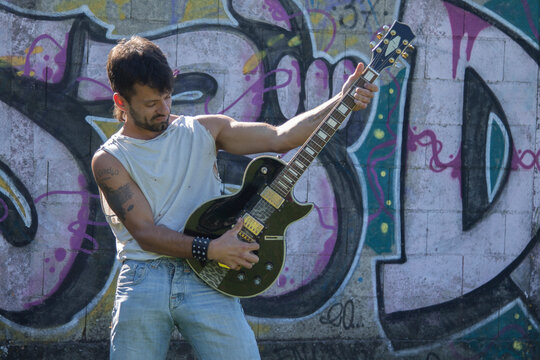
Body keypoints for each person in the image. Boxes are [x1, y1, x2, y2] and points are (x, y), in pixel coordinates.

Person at [92, 35, 378, 360]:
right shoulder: (109, 160)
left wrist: (341, 101)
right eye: (150, 104)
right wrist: (213, 248)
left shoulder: (204, 130)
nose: (164, 109)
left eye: (168, 97)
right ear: (120, 101)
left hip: (208, 280)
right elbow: (145, 233)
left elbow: (280, 138)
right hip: (145, 281)